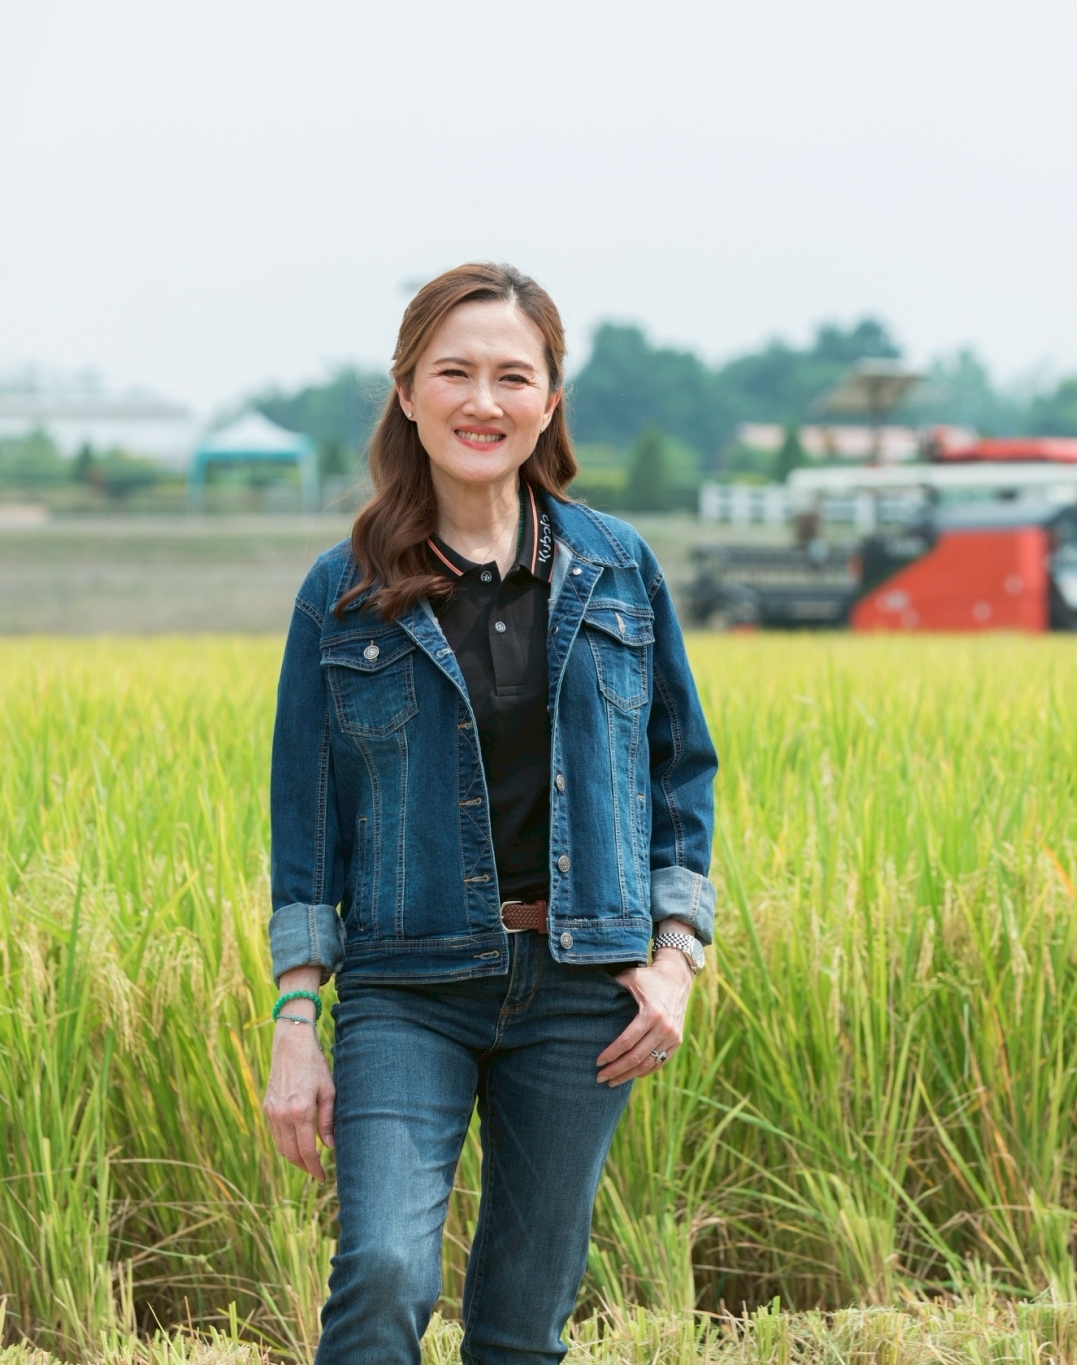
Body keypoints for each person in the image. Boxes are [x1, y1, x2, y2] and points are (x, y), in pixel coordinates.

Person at [261, 262, 718, 1364]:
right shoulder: (343, 589)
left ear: (548, 401)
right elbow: (305, 821)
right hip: (409, 986)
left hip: (579, 993)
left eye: (512, 376)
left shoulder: (619, 571)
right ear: (406, 392)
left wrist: (675, 957)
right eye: (452, 372)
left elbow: (679, 775)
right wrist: (294, 1019)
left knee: (522, 1322)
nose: (483, 400)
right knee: (381, 1273)